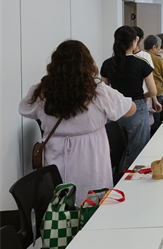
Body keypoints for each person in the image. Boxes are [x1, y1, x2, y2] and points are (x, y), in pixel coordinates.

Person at [19, 40, 135, 204]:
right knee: (92, 202)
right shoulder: (97, 91)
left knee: (61, 203)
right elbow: (130, 109)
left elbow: (24, 109)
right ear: (87, 63)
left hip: (56, 154)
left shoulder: (42, 90)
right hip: (91, 156)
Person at [101, 26, 157, 171]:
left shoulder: (107, 64)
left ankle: (119, 177)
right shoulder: (141, 63)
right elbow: (153, 91)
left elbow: (103, 90)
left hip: (115, 110)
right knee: (139, 151)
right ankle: (138, 177)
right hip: (137, 107)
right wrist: (144, 96)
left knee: (118, 150)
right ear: (133, 42)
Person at [144, 34, 163, 129]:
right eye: (159, 47)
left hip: (145, 92)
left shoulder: (140, 56)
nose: (159, 50)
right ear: (154, 47)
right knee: (156, 113)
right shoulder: (157, 59)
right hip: (156, 90)